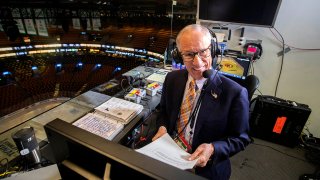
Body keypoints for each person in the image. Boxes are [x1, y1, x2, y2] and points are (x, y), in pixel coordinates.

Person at [152, 24, 251, 180]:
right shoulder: (172, 79)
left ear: (212, 50)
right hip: (169, 157)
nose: (197, 63)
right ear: (179, 56)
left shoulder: (235, 93)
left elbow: (241, 139)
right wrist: (162, 127)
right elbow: (163, 111)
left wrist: (212, 148)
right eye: (189, 55)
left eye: (203, 52)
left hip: (207, 171)